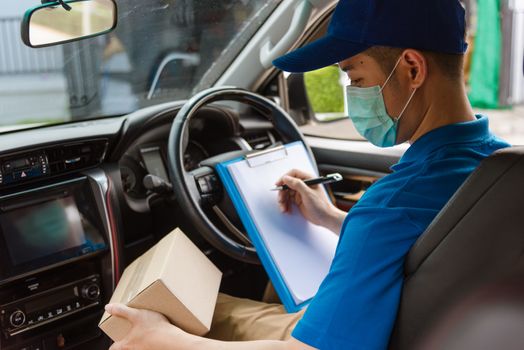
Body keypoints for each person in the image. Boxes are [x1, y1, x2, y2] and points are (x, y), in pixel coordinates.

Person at [104, 0, 511, 349]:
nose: (352, 92)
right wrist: (333, 218)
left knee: (155, 310)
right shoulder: (498, 168)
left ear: (411, 68)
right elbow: (435, 240)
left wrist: (163, 339)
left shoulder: (390, 205)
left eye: (355, 77)